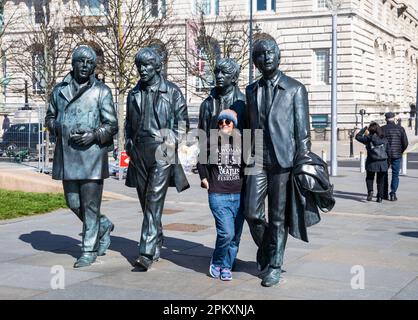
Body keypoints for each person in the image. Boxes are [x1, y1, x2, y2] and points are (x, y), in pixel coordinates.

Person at [243, 38, 313, 287]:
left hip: (284, 161)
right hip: (257, 158)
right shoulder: (250, 91)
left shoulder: (295, 89)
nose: (267, 57)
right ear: (256, 61)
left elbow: (303, 133)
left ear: (278, 55)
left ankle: (275, 264)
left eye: (271, 52)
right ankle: (267, 248)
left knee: (277, 217)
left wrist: (303, 164)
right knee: (251, 212)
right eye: (261, 54)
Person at [45, 45, 118, 268]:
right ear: (73, 64)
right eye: (81, 61)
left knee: (91, 205)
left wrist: (94, 135)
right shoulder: (59, 90)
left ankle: (88, 249)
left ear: (94, 67)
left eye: (89, 62)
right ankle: (103, 225)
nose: (85, 65)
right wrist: (59, 126)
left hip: (92, 155)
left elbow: (112, 125)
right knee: (73, 202)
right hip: (68, 155)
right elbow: (49, 117)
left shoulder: (102, 91)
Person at [125, 47, 190, 271]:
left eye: (147, 65)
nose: (142, 70)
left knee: (153, 199)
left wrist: (170, 141)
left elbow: (182, 124)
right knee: (146, 202)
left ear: (157, 67)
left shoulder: (172, 92)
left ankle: (146, 251)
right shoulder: (133, 94)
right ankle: (157, 238)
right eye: (139, 66)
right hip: (139, 152)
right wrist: (128, 145)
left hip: (162, 150)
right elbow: (128, 125)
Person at [197, 108, 245, 281]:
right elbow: (201, 160)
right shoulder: (211, 141)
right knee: (226, 233)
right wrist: (204, 178)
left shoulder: (242, 142)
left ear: (234, 124)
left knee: (235, 237)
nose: (224, 124)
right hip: (218, 194)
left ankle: (227, 266)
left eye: (228, 122)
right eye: (221, 122)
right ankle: (217, 262)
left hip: (239, 196)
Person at [355, 122, 390, 202]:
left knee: (369, 178)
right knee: (380, 181)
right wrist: (388, 162)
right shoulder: (384, 139)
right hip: (382, 162)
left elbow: (357, 137)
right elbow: (388, 151)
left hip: (371, 162)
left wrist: (364, 129)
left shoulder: (368, 138)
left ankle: (370, 192)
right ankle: (379, 197)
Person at [382, 112, 408, 201]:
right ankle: (393, 193)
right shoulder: (400, 129)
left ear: (386, 119)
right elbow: (405, 143)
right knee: (395, 174)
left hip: (385, 155)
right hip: (397, 155)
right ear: (394, 118)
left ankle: (384, 193)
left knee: (384, 174)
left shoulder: (382, 129)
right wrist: (400, 151)